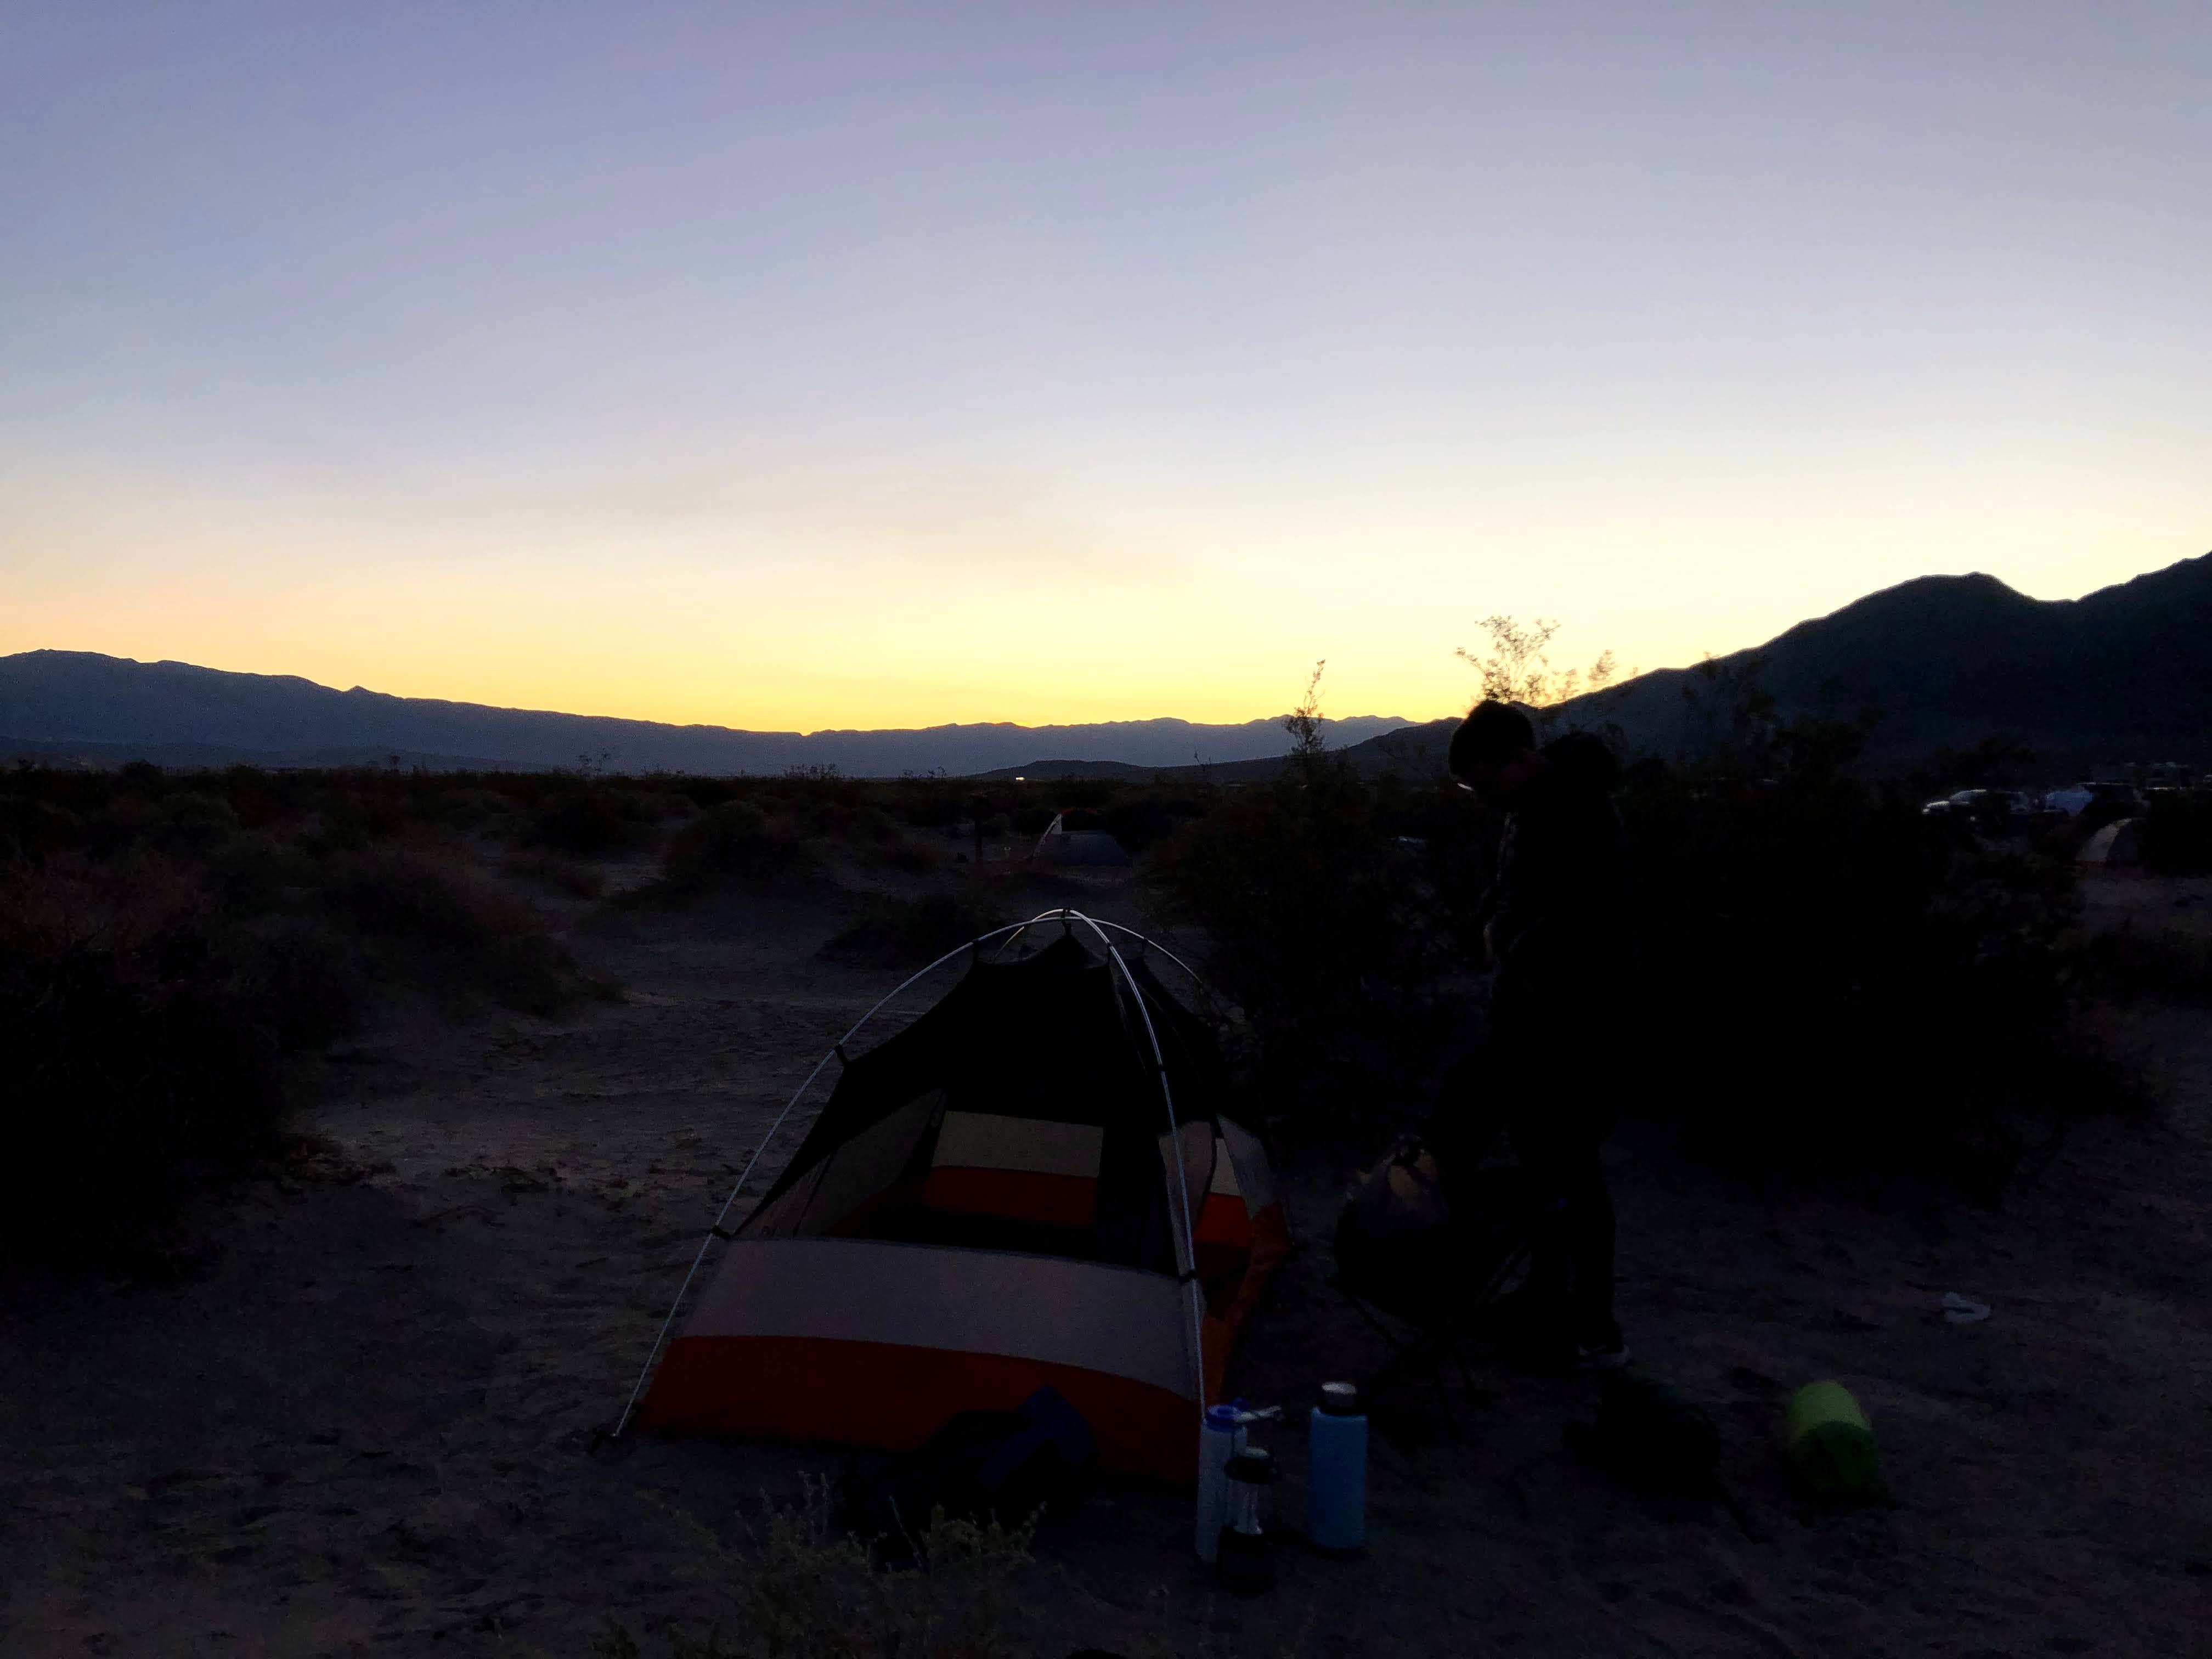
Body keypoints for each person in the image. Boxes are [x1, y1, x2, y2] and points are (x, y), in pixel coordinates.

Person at [1445, 699, 1630, 1370]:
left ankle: (1594, 1328)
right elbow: (1524, 892)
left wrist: (1517, 944)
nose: (1481, 798)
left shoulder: (1580, 813)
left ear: (1519, 761)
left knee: (1573, 1169)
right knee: (1541, 1165)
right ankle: (1546, 1300)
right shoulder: (1533, 808)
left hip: (1576, 1023)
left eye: (1483, 782)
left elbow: (1587, 921)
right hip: (1530, 1016)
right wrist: (1494, 922)